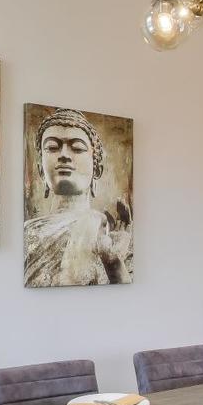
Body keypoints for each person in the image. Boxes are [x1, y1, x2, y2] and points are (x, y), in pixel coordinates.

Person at [24, 109, 130, 286]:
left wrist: (115, 264)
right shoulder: (26, 231)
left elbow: (127, 300)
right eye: (52, 147)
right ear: (41, 170)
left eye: (78, 148)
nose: (64, 155)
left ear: (97, 170)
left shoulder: (114, 237)